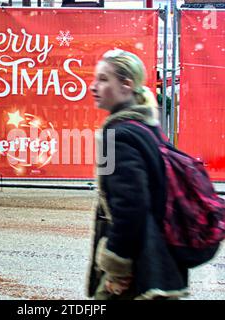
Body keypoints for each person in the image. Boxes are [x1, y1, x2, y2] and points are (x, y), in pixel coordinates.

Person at [86, 49, 189, 300]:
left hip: (135, 269)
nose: (93, 86)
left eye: (103, 79)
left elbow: (130, 206)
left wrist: (117, 270)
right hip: (160, 262)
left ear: (126, 85)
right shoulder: (145, 128)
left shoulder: (118, 136)